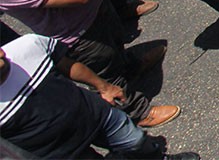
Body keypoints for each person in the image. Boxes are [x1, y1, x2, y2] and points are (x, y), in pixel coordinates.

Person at [0, 0, 179, 128]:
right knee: (106, 73)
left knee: (116, 47)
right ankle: (138, 112)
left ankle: (131, 66)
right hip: (79, 35)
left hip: (100, 6)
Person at [0, 33, 198, 160]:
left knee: (137, 143)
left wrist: (104, 87)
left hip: (98, 115)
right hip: (63, 153)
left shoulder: (28, 45)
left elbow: (68, 65)